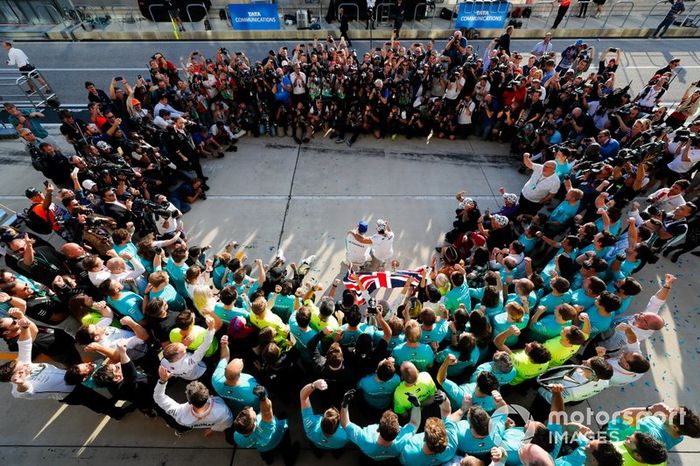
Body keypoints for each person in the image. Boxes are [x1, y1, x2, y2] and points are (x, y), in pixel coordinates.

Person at [154, 366, 233, 436]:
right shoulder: (222, 410)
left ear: (189, 401)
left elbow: (158, 397)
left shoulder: (180, 415)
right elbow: (227, 424)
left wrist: (162, 380)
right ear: (208, 394)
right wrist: (213, 429)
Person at [232, 385, 300, 465]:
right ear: (254, 423)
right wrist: (263, 397)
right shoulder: (265, 426)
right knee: (286, 449)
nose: (251, 408)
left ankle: (269, 461)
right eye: (252, 412)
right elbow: (267, 413)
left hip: (263, 448)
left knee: (266, 454)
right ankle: (289, 461)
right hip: (279, 436)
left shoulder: (237, 437)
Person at [300, 379, 349, 455]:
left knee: (317, 452)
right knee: (337, 453)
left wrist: (314, 385)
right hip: (336, 446)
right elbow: (349, 425)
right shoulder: (345, 435)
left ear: (322, 419)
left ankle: (318, 455)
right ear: (338, 426)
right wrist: (344, 408)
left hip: (317, 444)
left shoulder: (310, 424)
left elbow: (303, 397)